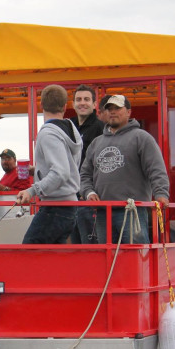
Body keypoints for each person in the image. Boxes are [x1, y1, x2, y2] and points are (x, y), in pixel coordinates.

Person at [80, 95, 169, 244]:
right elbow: (84, 175)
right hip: (103, 213)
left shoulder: (142, 138)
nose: (112, 112)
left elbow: (156, 169)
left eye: (117, 108)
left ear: (128, 112)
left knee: (137, 258)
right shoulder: (96, 143)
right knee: (106, 262)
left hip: (133, 211)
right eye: (109, 109)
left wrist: (161, 194)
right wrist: (89, 192)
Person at [17, 84, 82, 244]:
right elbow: (67, 167)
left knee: (28, 253)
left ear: (41, 105)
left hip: (55, 206)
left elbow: (61, 172)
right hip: (69, 205)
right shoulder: (71, 130)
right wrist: (38, 170)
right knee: (52, 260)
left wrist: (32, 190)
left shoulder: (48, 134)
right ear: (65, 106)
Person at [68, 85, 105, 244]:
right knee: (75, 247)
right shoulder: (68, 127)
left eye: (86, 99)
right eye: (78, 99)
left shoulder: (101, 128)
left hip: (90, 198)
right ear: (73, 104)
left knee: (91, 247)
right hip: (70, 196)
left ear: (95, 104)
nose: (82, 103)